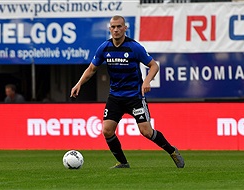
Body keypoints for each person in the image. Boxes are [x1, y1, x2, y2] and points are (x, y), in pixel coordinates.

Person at [70, 15, 184, 168]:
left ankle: (172, 151)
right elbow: (91, 69)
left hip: (134, 97)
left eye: (119, 26)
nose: (116, 29)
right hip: (115, 97)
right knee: (107, 130)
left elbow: (154, 66)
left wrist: (146, 81)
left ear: (125, 28)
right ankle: (123, 163)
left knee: (146, 132)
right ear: (109, 29)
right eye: (113, 27)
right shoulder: (105, 47)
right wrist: (79, 84)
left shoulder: (134, 47)